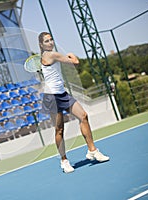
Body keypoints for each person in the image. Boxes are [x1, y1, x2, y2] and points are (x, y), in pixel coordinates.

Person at [38, 32, 109, 173]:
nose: (50, 42)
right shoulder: (51, 55)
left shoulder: (50, 55)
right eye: (47, 41)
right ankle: (64, 161)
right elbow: (75, 62)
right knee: (59, 129)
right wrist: (70, 54)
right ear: (41, 45)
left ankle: (92, 151)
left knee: (83, 116)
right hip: (51, 97)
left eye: (51, 39)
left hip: (62, 93)